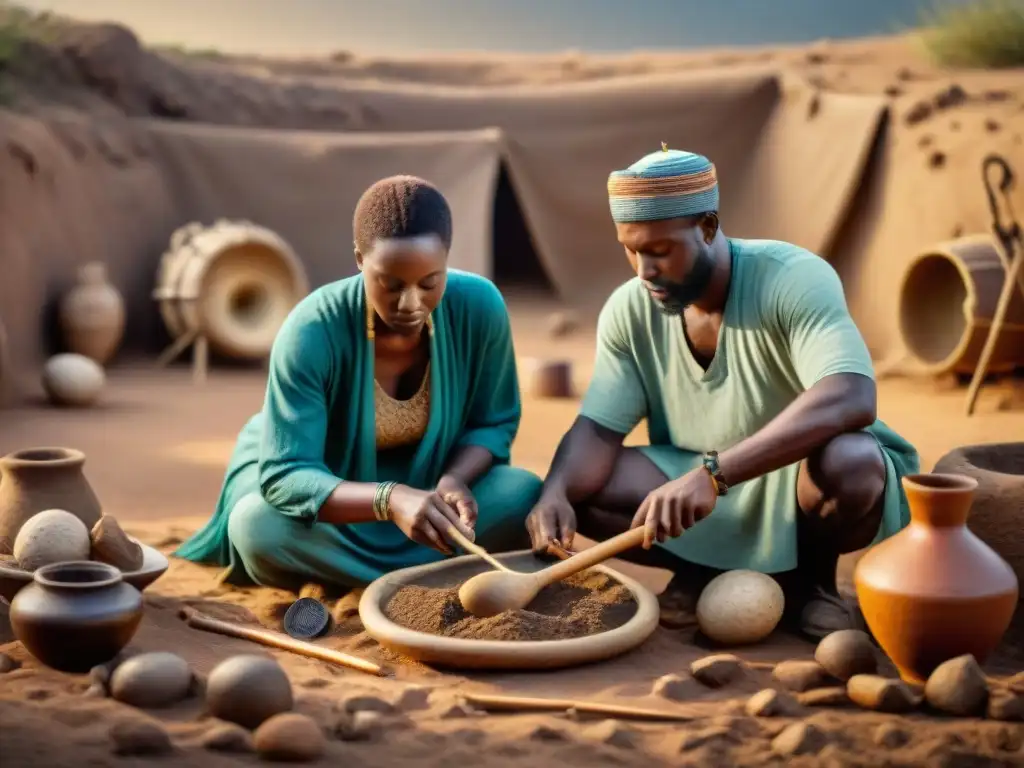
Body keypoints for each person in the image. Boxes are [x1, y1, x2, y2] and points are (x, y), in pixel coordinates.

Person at [525, 147, 920, 639]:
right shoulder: (630, 309)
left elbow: (851, 397)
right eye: (631, 249)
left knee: (852, 462)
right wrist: (556, 492)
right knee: (585, 489)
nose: (643, 270)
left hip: (794, 478)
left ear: (708, 227)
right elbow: (598, 430)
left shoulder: (792, 277)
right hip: (694, 477)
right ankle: (703, 571)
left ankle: (810, 583)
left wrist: (713, 475)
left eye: (660, 251)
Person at [177, 175, 543, 591]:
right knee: (256, 528)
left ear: (447, 261)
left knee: (523, 494)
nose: (411, 304)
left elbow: (492, 423)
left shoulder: (480, 306)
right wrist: (390, 499)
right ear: (358, 260)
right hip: (334, 495)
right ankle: (424, 575)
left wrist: (454, 480)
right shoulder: (311, 330)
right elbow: (287, 474)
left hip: (429, 488)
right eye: (391, 284)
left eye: (429, 283)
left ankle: (372, 577)